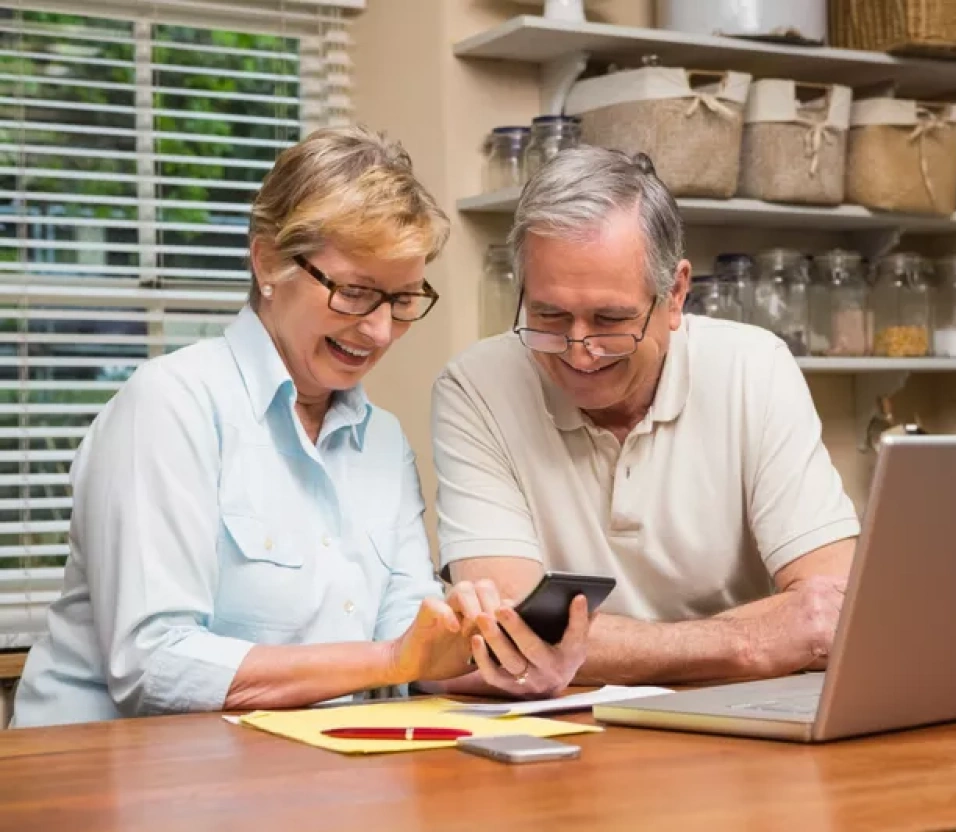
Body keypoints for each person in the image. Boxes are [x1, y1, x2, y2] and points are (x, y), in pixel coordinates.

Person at [13, 126, 589, 728]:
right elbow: (154, 667)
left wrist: (515, 668)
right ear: (267, 262)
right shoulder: (169, 406)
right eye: (356, 293)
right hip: (96, 779)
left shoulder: (383, 442)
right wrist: (390, 659)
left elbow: (410, 648)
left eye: (403, 300)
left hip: (292, 774)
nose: (379, 331)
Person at [431, 146, 860, 688]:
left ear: (676, 293)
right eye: (548, 315)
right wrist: (749, 642)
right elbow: (507, 634)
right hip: (579, 732)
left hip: (746, 730)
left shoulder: (754, 365)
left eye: (611, 319)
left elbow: (834, 612)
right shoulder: (475, 385)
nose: (579, 351)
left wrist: (592, 648)